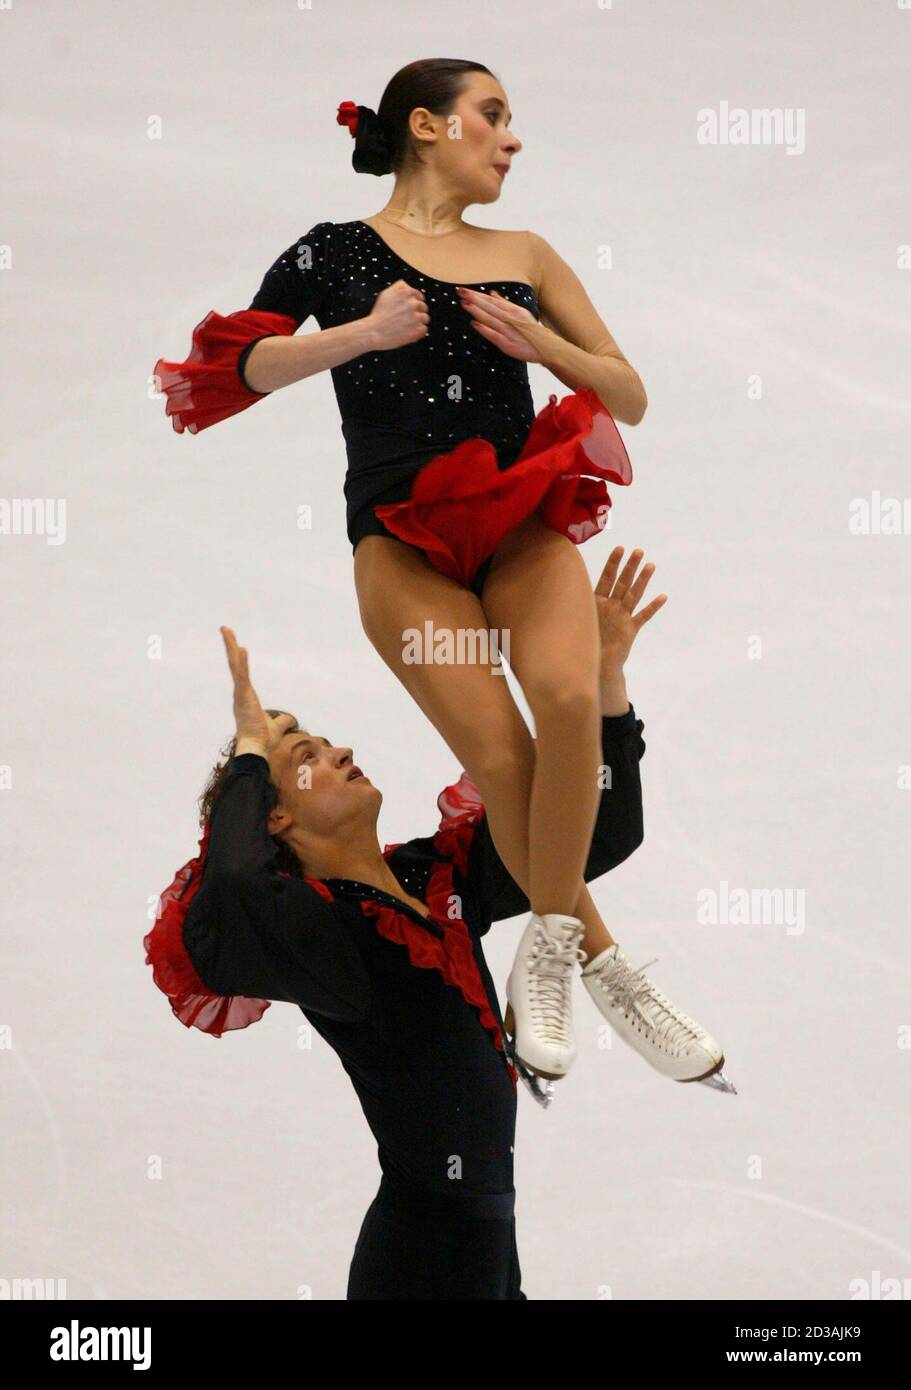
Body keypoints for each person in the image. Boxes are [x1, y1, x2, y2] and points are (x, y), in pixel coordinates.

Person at [151, 58, 733, 1091]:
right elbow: (225, 370)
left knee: (562, 698)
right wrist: (358, 336)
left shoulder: (522, 252)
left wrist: (545, 343)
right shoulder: (330, 252)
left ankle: (550, 946)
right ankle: (602, 963)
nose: (510, 139)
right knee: (502, 754)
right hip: (398, 536)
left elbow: (628, 395)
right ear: (425, 125)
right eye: (492, 116)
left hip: (517, 515)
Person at [144, 554, 664, 1299]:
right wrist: (250, 751)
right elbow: (228, 890)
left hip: (482, 1247)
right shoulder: (322, 937)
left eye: (323, 742)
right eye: (308, 758)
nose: (341, 751)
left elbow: (594, 838)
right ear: (276, 820)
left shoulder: (435, 877)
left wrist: (606, 688)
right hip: (424, 1261)